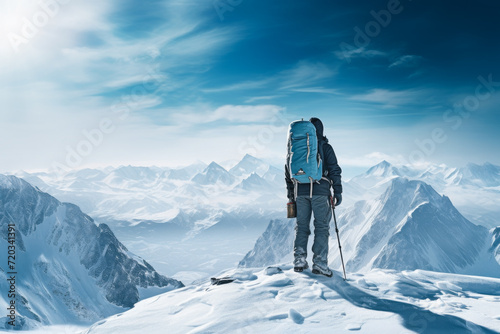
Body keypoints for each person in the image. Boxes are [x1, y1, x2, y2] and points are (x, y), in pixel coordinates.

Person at [285, 117, 342, 277]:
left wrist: (291, 196)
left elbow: (288, 173)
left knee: (301, 227)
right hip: (320, 192)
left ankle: (299, 261)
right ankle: (320, 264)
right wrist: (337, 192)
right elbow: (334, 170)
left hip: (300, 193)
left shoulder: (295, 148)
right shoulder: (325, 147)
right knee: (322, 228)